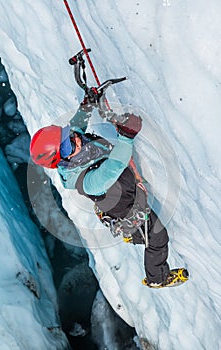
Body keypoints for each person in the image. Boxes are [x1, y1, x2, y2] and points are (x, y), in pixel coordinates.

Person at [30, 52, 188, 288]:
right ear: (61, 159)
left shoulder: (71, 148)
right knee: (157, 237)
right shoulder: (87, 182)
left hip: (117, 195)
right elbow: (115, 165)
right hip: (125, 206)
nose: (75, 138)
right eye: (68, 143)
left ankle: (125, 229)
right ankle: (157, 277)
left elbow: (76, 125)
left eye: (68, 136)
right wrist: (127, 136)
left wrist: (86, 105)